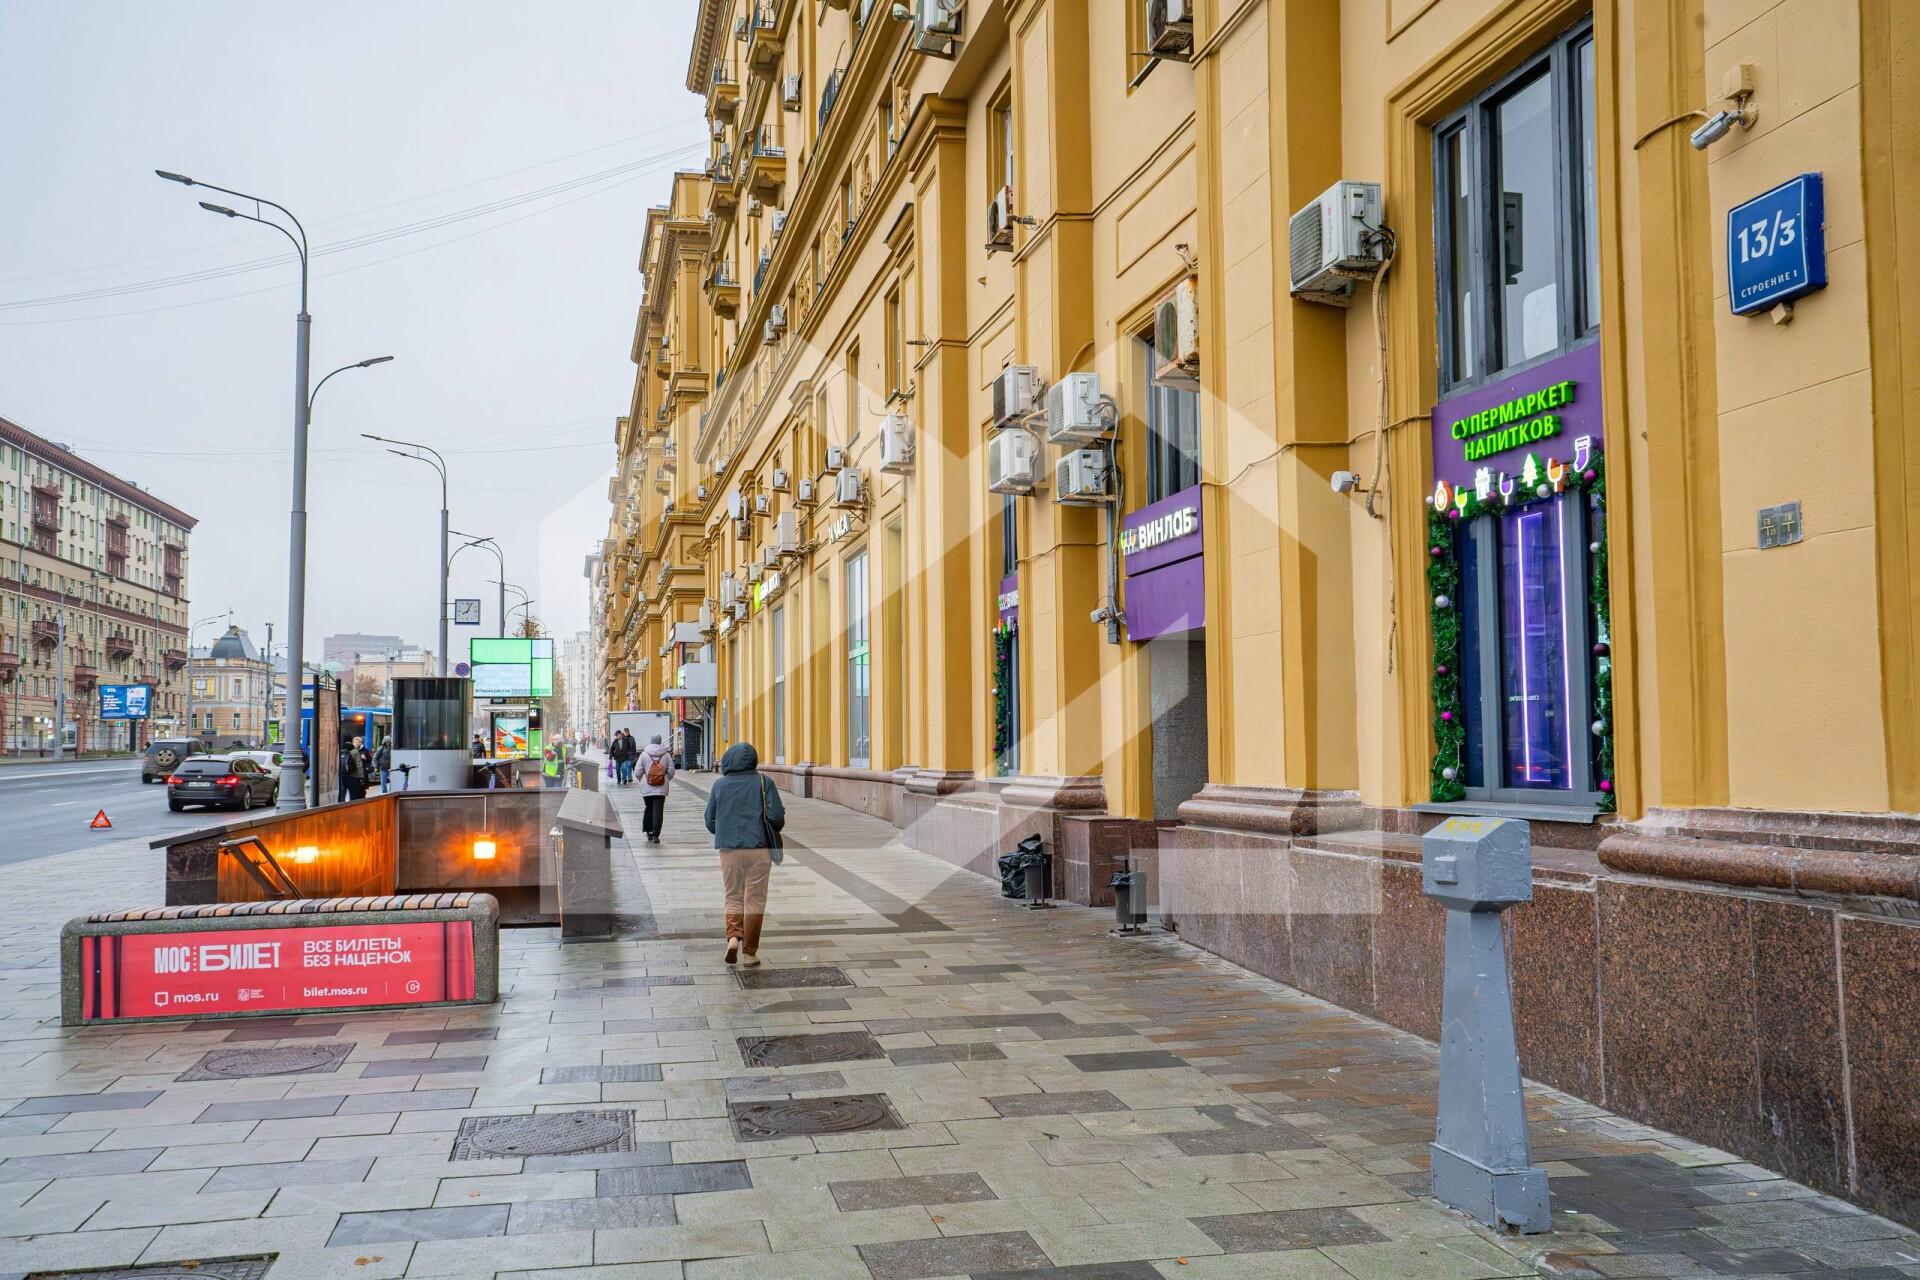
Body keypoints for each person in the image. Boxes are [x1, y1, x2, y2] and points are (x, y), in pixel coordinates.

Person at [703, 741, 783, 967]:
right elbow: (776, 817)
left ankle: (733, 938)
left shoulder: (719, 785)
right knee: (754, 900)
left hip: (729, 850)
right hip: (759, 850)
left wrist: (727, 828)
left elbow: (710, 821)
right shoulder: (764, 782)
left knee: (733, 896)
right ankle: (750, 953)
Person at [637, 733, 675, 843]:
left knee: (648, 807)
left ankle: (648, 831)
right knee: (658, 810)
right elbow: (671, 770)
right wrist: (665, 778)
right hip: (661, 788)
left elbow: (638, 771)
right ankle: (656, 834)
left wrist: (643, 780)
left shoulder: (644, 754)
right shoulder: (666, 755)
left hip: (647, 788)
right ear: (660, 741)